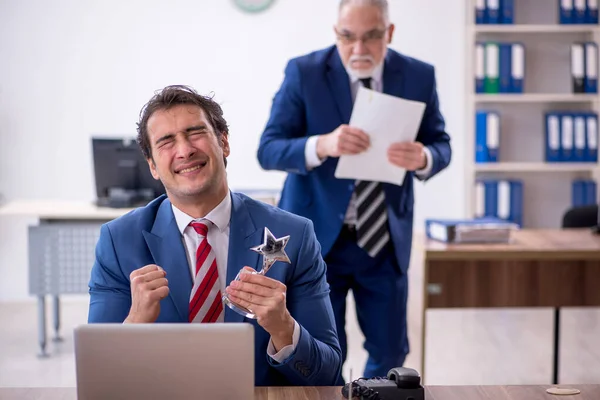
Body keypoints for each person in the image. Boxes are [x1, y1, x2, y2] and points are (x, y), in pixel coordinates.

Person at [87, 85, 342, 387]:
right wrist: (135, 323)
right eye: (167, 141)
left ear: (224, 142)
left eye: (195, 133)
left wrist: (284, 328)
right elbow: (99, 379)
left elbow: (328, 376)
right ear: (153, 166)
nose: (184, 150)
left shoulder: (296, 234)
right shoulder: (118, 241)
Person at [256, 0, 452, 380]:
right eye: (348, 37)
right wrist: (322, 145)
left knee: (391, 350)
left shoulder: (418, 76)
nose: (359, 50)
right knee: (324, 348)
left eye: (371, 37)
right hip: (318, 241)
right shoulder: (305, 72)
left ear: (389, 33)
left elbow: (441, 144)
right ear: (335, 33)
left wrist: (424, 156)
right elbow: (269, 148)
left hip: (384, 241)